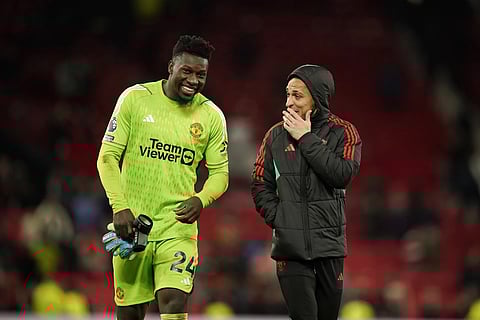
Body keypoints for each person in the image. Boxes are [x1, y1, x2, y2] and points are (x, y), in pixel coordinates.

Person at [97, 35, 229, 320]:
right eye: (187, 71)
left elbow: (220, 174)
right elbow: (107, 157)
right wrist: (119, 206)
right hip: (133, 227)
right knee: (130, 313)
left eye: (201, 74)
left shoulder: (211, 116)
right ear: (171, 67)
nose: (194, 80)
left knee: (173, 302)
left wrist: (201, 199)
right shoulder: (135, 99)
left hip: (177, 229)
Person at [251, 64, 362, 320]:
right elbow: (259, 184)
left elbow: (342, 175)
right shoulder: (274, 136)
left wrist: (305, 138)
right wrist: (281, 219)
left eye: (298, 96)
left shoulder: (344, 133)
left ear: (319, 97)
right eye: (288, 94)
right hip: (290, 249)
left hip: (329, 248)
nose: (289, 102)